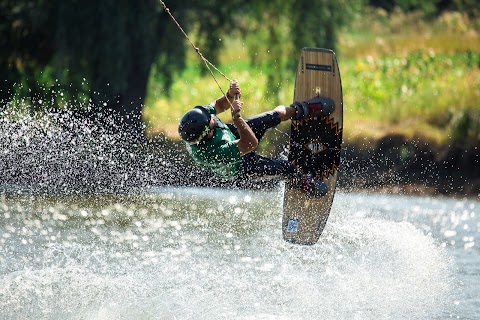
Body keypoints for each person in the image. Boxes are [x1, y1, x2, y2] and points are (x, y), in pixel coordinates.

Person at [178, 81, 334, 197]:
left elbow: (219, 104)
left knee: (275, 116)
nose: (212, 115)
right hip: (240, 166)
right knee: (288, 168)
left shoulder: (200, 119)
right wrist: (237, 118)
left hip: (233, 135)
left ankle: (304, 109)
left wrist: (230, 95)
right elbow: (251, 144)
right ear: (208, 131)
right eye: (211, 119)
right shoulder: (212, 152)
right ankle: (301, 182)